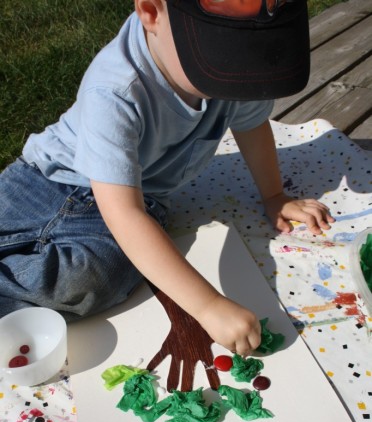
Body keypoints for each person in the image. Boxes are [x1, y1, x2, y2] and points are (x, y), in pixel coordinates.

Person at [0, 0, 334, 358]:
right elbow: (123, 214)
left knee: (89, 280)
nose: (237, 76)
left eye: (247, 60)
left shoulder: (235, 74)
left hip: (136, 199)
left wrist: (274, 195)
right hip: (46, 181)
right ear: (151, 11)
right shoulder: (116, 90)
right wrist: (207, 306)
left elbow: (251, 123)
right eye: (221, 58)